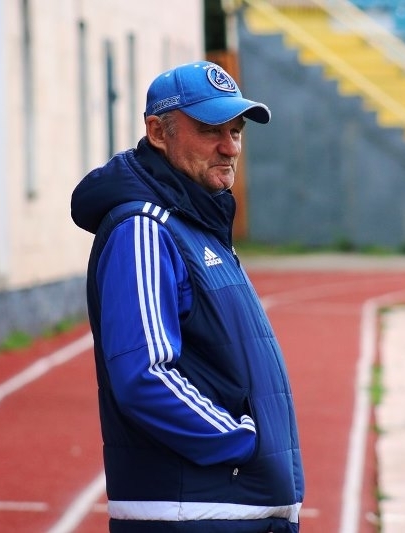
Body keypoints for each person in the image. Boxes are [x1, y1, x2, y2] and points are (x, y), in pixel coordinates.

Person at [71, 61, 304, 532]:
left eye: (235, 131)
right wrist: (241, 442)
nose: (230, 147)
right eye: (210, 130)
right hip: (195, 513)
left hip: (230, 508)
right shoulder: (143, 229)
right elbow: (144, 375)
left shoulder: (197, 222)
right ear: (159, 133)